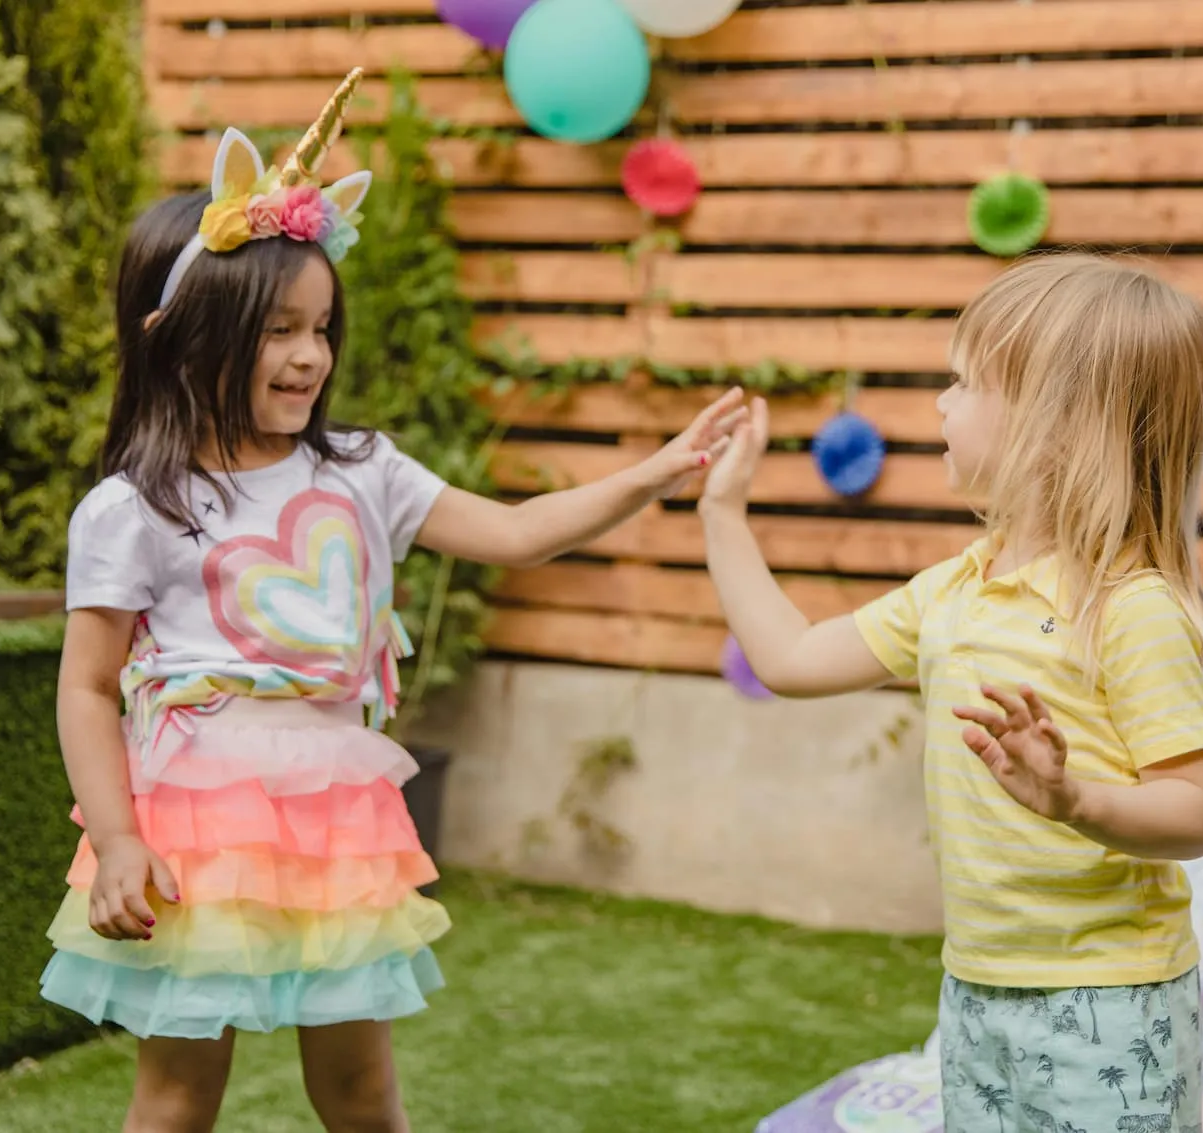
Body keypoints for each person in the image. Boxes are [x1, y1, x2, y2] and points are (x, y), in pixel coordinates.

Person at [42, 72, 745, 1133]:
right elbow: (89, 688)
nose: (309, 356)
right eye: (279, 329)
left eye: (321, 327)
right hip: (193, 820)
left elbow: (512, 530)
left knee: (362, 1090)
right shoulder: (134, 504)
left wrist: (652, 473)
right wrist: (119, 834)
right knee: (180, 1090)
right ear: (185, 333)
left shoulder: (363, 468)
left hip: (337, 814)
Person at [698, 253, 1203, 1133]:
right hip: (977, 986)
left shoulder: (1129, 611)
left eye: (964, 382)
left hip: (1110, 1004)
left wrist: (1072, 797)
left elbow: (1196, 811)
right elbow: (789, 657)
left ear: (1057, 426)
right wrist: (723, 512)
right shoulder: (953, 591)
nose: (940, 404)